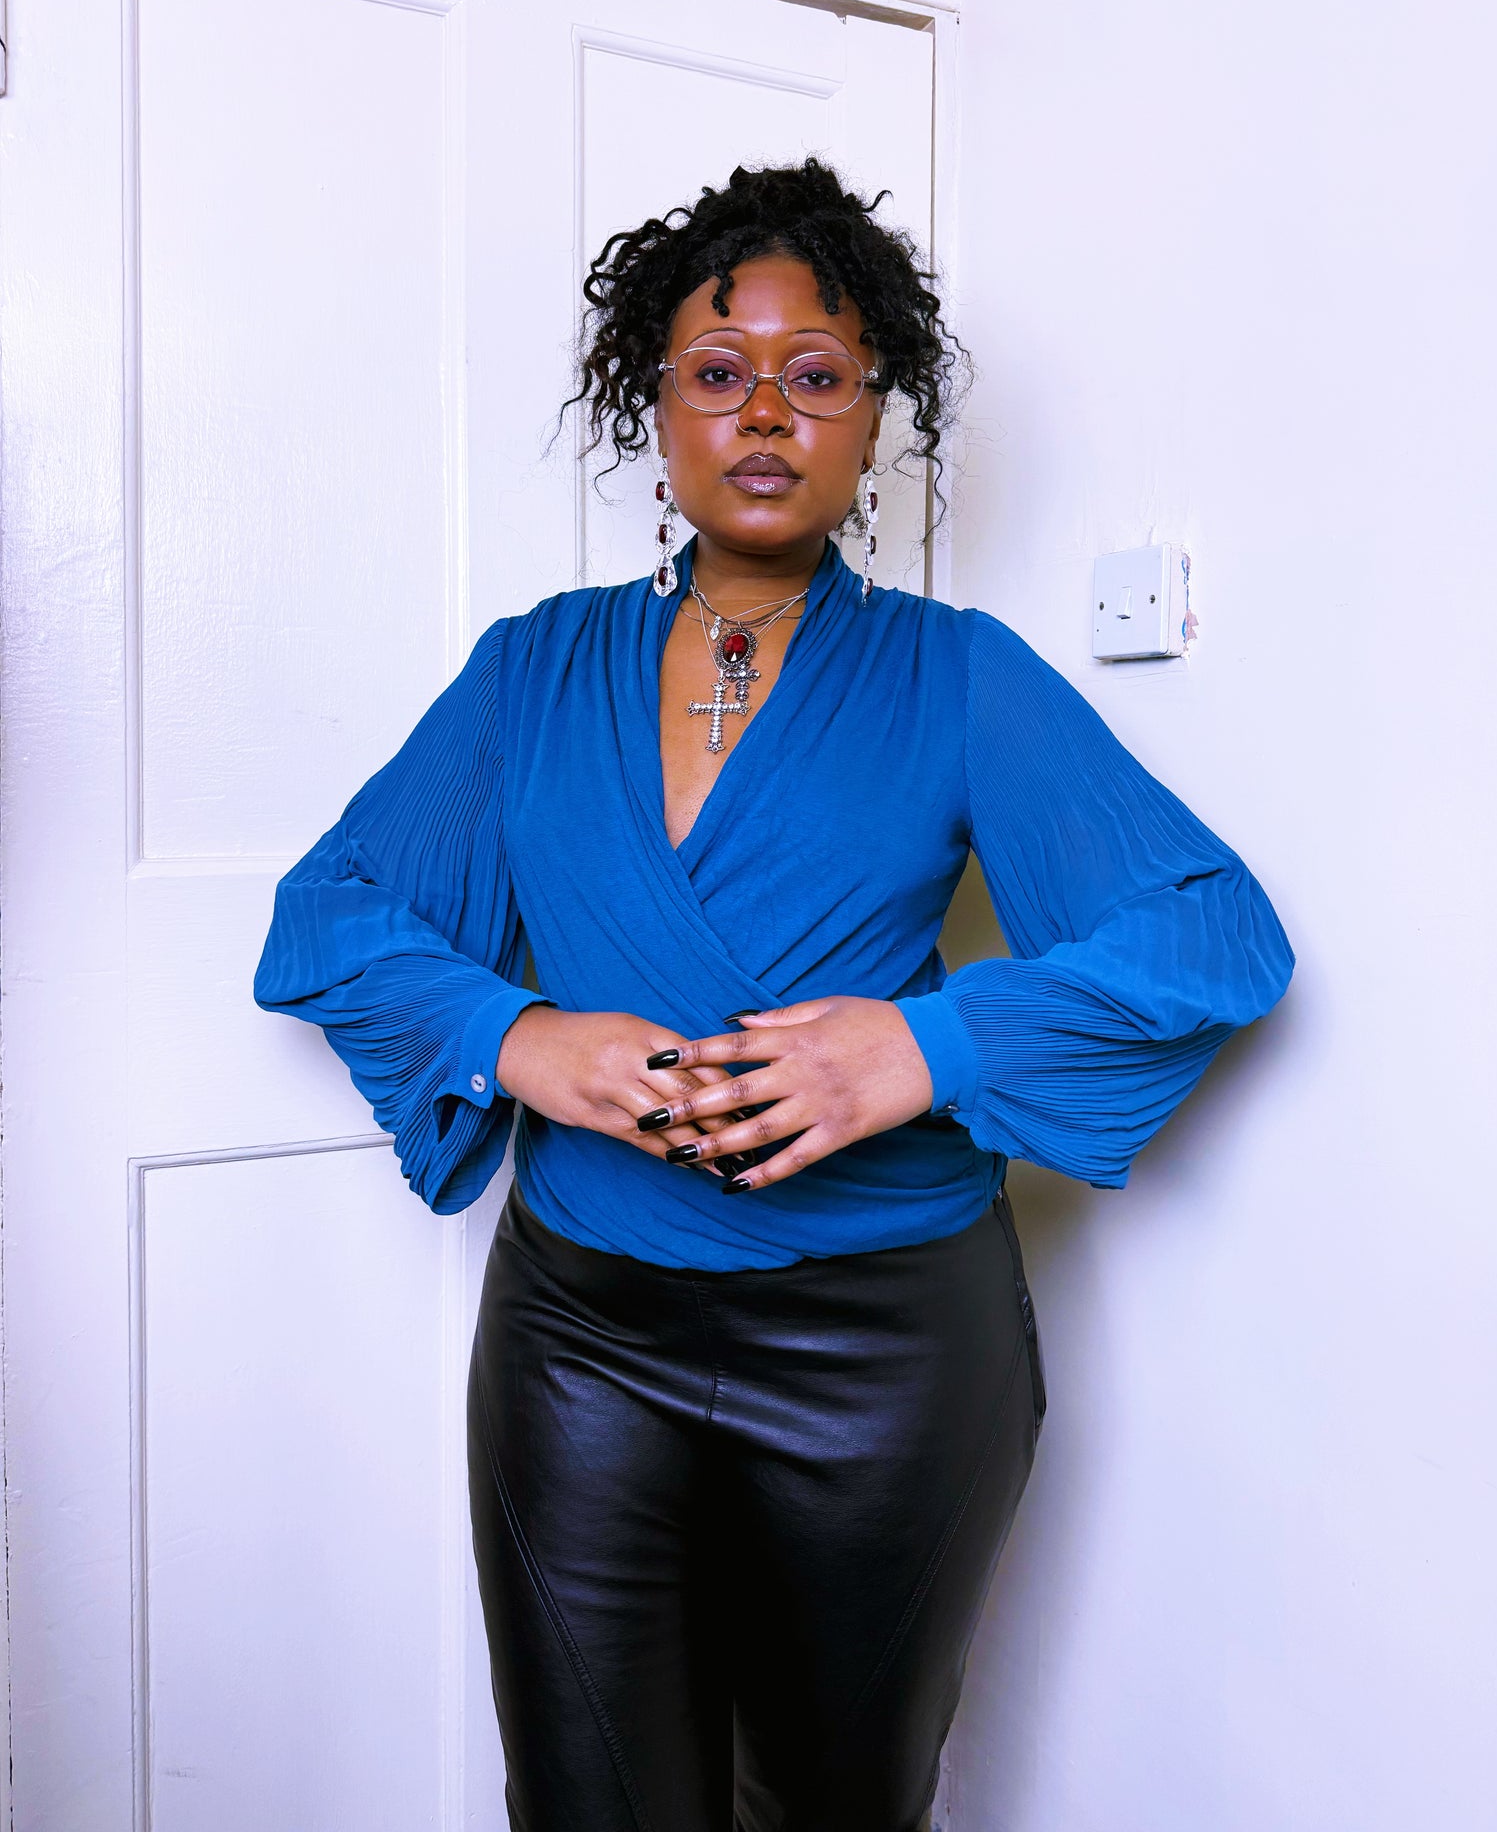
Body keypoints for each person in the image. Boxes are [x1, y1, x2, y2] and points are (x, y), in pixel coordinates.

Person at [255, 158, 1293, 1832]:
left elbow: (1215, 934)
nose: (763, 413)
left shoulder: (959, 675)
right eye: (717, 372)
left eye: (815, 376)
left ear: (873, 416)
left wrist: (927, 1047)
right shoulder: (532, 668)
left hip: (887, 1352)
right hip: (580, 1341)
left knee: (837, 1807)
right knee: (590, 1804)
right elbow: (328, 916)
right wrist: (516, 1036)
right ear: (652, 406)